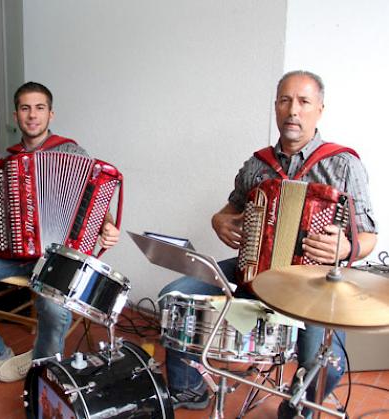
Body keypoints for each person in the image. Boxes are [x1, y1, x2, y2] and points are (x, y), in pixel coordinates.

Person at [159, 71, 377, 417]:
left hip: (313, 284)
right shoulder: (258, 164)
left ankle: (296, 405)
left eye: (304, 102)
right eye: (285, 100)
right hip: (253, 270)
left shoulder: (344, 165)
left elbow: (368, 236)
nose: (293, 110)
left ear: (319, 109)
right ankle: (189, 388)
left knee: (329, 365)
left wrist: (346, 249)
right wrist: (218, 220)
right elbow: (231, 208)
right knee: (176, 297)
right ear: (276, 107)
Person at [0, 81, 120, 393]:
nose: (32, 115)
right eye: (25, 108)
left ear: (50, 114)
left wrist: (107, 226)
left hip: (56, 257)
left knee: (54, 307)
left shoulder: (72, 152)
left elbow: (95, 200)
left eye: (39, 108)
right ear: (16, 115)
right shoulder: (7, 162)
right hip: (11, 251)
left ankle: (43, 364)